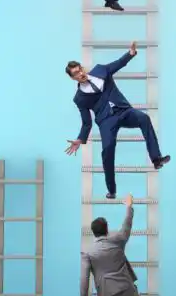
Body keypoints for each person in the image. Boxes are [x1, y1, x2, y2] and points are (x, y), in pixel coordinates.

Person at [65, 41, 170, 198]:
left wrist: (131, 54)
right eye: (75, 74)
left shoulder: (100, 70)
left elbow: (118, 64)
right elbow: (86, 122)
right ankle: (112, 190)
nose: (80, 74)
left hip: (123, 110)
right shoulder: (79, 98)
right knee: (107, 151)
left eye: (79, 70)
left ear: (82, 68)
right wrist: (80, 139)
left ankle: (156, 159)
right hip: (106, 121)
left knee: (144, 118)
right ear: (73, 78)